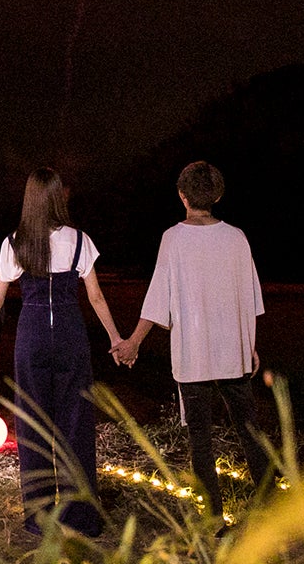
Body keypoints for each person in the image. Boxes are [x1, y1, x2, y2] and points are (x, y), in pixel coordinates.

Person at [0, 168, 123, 537]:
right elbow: (96, 297)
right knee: (75, 423)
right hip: (70, 333)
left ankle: (39, 514)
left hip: (32, 334)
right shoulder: (80, 240)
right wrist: (116, 337)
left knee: (33, 425)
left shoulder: (15, 242)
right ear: (57, 197)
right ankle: (80, 515)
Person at [115, 161, 269, 521]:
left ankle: (213, 516)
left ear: (182, 195)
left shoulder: (174, 238)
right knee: (249, 429)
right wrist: (249, 346)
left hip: (194, 354)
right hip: (234, 353)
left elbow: (157, 297)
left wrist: (134, 341)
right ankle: (267, 505)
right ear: (218, 195)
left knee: (201, 437)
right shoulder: (236, 237)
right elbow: (249, 298)